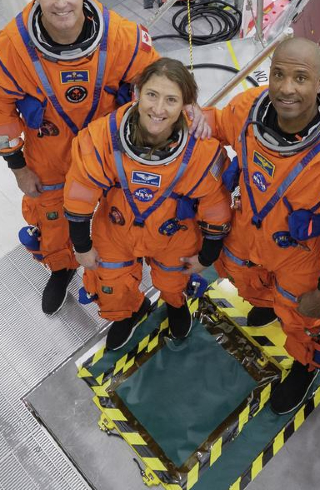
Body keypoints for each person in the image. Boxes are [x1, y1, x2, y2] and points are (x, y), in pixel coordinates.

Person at [202, 37, 320, 415]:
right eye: (278, 74)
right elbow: (217, 123)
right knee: (240, 273)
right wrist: (175, 115)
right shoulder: (250, 111)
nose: (286, 88)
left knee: (299, 316)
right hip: (250, 231)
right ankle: (265, 304)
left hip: (301, 257)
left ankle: (306, 365)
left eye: (301, 78)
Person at [0, 0, 161, 315]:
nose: (60, 3)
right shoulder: (6, 51)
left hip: (108, 152)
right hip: (49, 155)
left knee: (116, 218)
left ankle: (117, 283)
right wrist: (18, 168)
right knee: (51, 215)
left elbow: (155, 82)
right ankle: (61, 268)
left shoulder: (121, 37)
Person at [65, 58, 231, 350]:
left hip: (172, 235)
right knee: (111, 286)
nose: (158, 109)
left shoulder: (202, 151)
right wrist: (81, 246)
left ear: (186, 106)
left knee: (173, 281)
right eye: (152, 95)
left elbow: (216, 208)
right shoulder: (104, 136)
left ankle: (175, 305)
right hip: (116, 229)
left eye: (171, 100)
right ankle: (128, 313)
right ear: (137, 93)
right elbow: (79, 194)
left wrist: (207, 256)